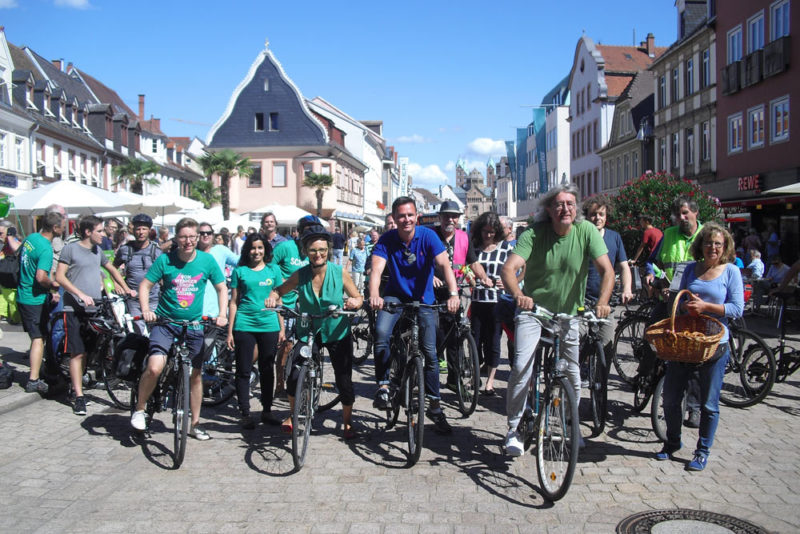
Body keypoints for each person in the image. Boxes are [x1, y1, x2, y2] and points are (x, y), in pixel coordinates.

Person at [500, 184, 614, 455]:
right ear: (549, 210)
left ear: (577, 209)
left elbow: (607, 271)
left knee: (573, 372)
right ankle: (514, 429)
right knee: (522, 366)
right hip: (534, 311)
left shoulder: (586, 231)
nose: (566, 209)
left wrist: (602, 303)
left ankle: (571, 425)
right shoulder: (534, 233)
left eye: (571, 204)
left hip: (568, 314)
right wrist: (519, 295)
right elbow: (509, 269)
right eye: (560, 204)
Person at [656, 222, 743, 471]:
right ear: (700, 245)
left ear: (725, 247)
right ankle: (673, 441)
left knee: (708, 403)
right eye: (708, 242)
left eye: (718, 243)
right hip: (685, 342)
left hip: (715, 345)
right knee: (671, 398)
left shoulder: (730, 272)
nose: (712, 247)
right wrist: (682, 305)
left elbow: (736, 309)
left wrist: (706, 308)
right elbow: (677, 297)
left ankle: (702, 451)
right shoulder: (690, 268)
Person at [369, 196, 460, 435]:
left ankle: (435, 406)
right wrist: (374, 295)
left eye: (410, 215)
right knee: (381, 333)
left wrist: (453, 294)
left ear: (416, 216)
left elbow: (444, 266)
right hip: (395, 297)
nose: (406, 219)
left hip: (424, 300)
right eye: (401, 215)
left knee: (429, 353)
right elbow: (377, 269)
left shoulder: (428, 236)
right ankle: (384, 386)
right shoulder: (387, 240)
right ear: (394, 218)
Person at [131, 217, 228, 440]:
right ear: (177, 238)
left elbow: (222, 288)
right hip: (166, 324)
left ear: (197, 237)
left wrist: (222, 315)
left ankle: (194, 424)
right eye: (183, 237)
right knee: (155, 367)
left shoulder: (207, 261)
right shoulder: (166, 260)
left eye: (192, 237)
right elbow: (145, 285)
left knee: (195, 375)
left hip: (193, 325)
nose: (188, 241)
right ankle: (139, 409)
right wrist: (147, 309)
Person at [266, 225, 363, 439]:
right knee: (294, 374)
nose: (317, 254)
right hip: (308, 329)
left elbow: (358, 297)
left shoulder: (339, 272)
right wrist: (274, 297)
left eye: (322, 250)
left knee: (344, 380)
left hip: (337, 330)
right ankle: (293, 414)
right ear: (306, 252)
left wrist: (355, 301)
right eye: (312, 250)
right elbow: (279, 290)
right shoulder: (300, 275)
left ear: (328, 250)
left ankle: (348, 422)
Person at [55, 215, 131, 416]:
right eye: (99, 231)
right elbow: (59, 276)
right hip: (74, 309)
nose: (103, 234)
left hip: (94, 309)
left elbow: (111, 269)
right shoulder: (70, 249)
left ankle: (76, 384)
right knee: (77, 352)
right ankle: (79, 396)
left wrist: (125, 287)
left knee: (89, 352)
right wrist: (80, 294)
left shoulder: (98, 251)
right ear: (88, 232)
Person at [645, 196, 705, 428]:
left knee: (694, 357)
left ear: (695, 213)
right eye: (678, 214)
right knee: (652, 337)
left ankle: (694, 408)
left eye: (685, 213)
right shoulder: (668, 235)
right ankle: (646, 376)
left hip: (693, 305)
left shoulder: (705, 236)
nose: (681, 218)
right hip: (667, 298)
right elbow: (653, 263)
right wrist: (654, 276)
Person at [430, 201, 490, 386]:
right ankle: (427, 374)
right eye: (446, 215)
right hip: (431, 292)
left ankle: (454, 380)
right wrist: (429, 276)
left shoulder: (464, 237)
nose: (450, 219)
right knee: (434, 332)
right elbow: (420, 261)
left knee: (454, 335)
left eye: (454, 216)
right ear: (439, 217)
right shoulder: (430, 235)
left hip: (455, 292)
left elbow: (473, 262)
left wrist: (484, 278)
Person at [227, 233, 283, 429]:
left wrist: (282, 328)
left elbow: (279, 301)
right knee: (243, 370)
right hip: (244, 324)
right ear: (247, 250)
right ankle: (245, 413)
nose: (256, 251)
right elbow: (233, 302)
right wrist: (230, 330)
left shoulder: (273, 270)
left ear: (265, 250)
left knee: (267, 368)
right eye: (253, 248)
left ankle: (267, 410)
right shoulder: (240, 271)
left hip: (269, 325)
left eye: (260, 247)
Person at [271, 215, 321, 396]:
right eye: (308, 230)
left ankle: (303, 382)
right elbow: (269, 267)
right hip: (286, 304)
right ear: (299, 232)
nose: (311, 234)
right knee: (285, 346)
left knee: (306, 345)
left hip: (307, 305)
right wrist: (283, 281)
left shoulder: (316, 250)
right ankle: (279, 385)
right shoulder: (285, 247)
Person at [18, 211, 64, 394]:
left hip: (23, 293)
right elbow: (40, 276)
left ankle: (39, 370)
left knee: (37, 336)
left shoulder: (31, 238)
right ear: (55, 228)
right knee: (38, 339)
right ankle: (33, 380)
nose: (63, 227)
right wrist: (53, 285)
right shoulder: (46, 248)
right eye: (62, 225)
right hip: (33, 298)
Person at [582, 197, 634, 359]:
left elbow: (624, 266)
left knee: (606, 346)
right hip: (582, 300)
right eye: (593, 214)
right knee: (576, 342)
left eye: (601, 214)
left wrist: (627, 289)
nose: (598, 218)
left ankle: (600, 382)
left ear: (606, 216)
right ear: (586, 216)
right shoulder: (580, 236)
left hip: (606, 302)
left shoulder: (614, 237)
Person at [469, 212, 511, 395]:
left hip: (497, 302)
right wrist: (470, 277)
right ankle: (475, 376)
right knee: (475, 341)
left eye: (492, 232)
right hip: (478, 300)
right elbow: (466, 266)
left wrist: (510, 281)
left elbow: (519, 268)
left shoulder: (505, 248)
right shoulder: (475, 248)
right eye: (485, 231)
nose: (488, 235)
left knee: (493, 341)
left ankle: (490, 382)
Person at [113, 213, 162, 334]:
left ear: (149, 231)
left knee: (155, 332)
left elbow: (164, 274)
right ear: (133, 231)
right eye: (138, 229)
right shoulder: (125, 250)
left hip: (153, 299)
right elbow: (113, 268)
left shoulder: (157, 251)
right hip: (134, 299)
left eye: (144, 229)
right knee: (138, 332)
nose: (141, 232)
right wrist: (116, 284)